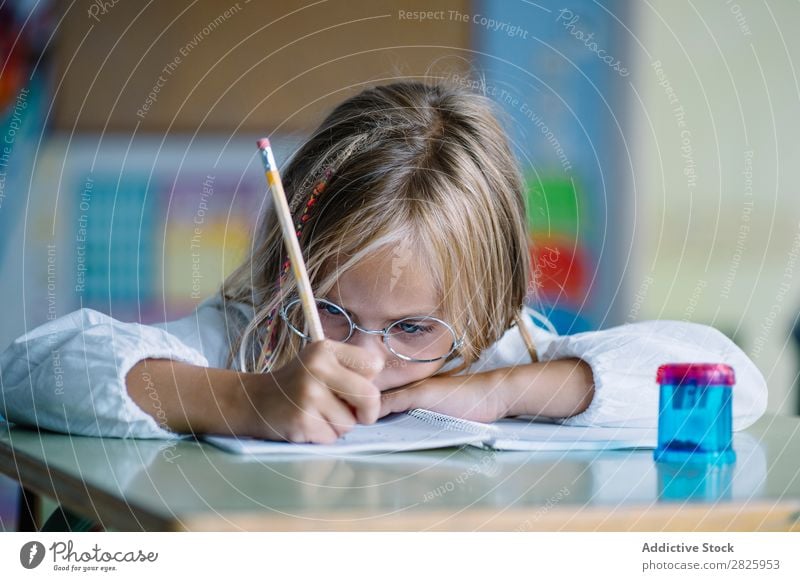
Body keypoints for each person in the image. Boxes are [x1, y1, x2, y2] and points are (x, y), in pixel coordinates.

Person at [0, 82, 767, 443]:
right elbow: (29, 371)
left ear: (488, 304)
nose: (363, 357)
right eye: (329, 307)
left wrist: (502, 393)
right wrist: (241, 400)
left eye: (412, 326)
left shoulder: (502, 348)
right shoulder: (255, 344)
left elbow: (739, 385)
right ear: (285, 267)